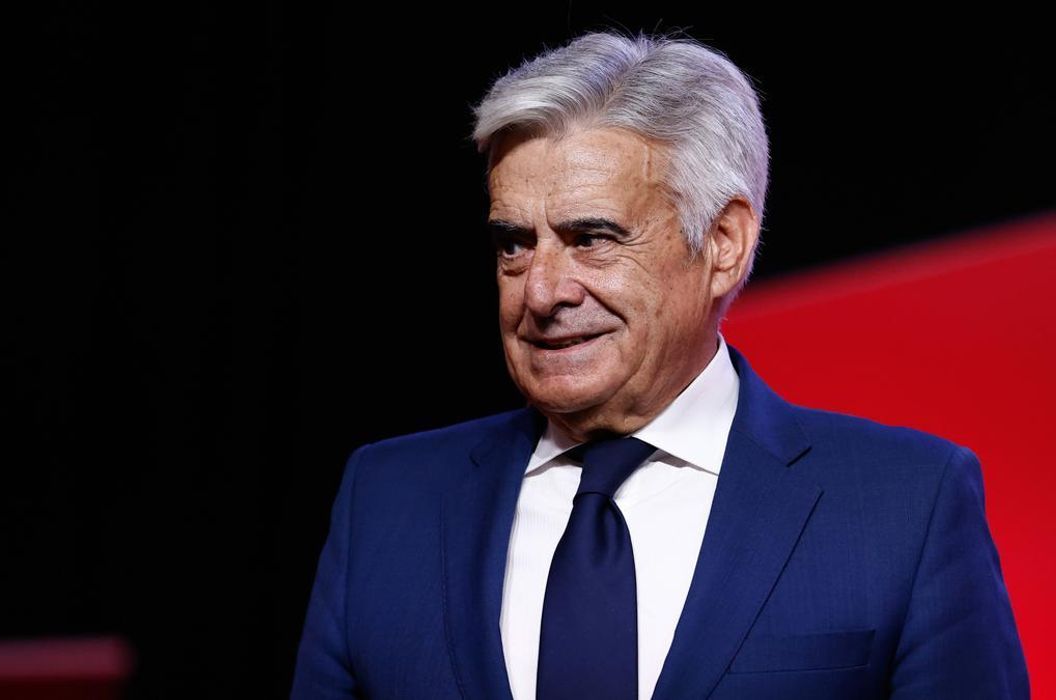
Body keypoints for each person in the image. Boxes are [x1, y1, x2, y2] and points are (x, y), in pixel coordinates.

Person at [290, 30, 1029, 700]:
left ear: (724, 244)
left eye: (592, 239)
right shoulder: (386, 501)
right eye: (515, 243)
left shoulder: (907, 506)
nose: (540, 292)